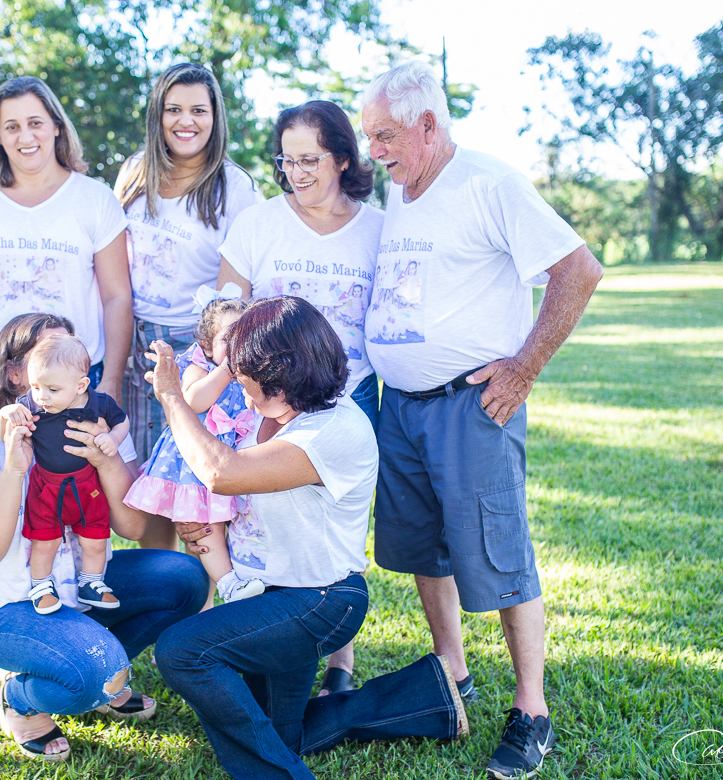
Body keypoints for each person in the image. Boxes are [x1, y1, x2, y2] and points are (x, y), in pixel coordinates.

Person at [361, 61, 604, 780]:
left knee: (500, 552)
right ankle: (453, 674)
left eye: (385, 135)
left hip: (471, 405)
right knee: (423, 549)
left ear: (427, 125)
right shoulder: (400, 187)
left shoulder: (489, 183)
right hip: (401, 408)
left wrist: (524, 367)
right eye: (370, 137)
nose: (374, 150)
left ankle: (532, 711)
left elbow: (579, 270)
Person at [150, 296, 469, 780]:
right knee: (282, 734)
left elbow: (220, 472)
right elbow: (227, 491)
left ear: (282, 378)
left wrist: (173, 397)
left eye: (247, 381)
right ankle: (427, 695)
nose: (242, 392)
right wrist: (201, 524)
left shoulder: (333, 429)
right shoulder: (265, 414)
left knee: (181, 650)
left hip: (317, 601)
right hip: (265, 594)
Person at [0, 312, 209, 761]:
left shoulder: (97, 422)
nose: (62, 363)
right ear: (16, 374)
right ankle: (21, 696)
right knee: (94, 673)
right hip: (6, 605)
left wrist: (105, 458)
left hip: (81, 585)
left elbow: (133, 528)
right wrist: (14, 469)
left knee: (184, 578)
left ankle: (99, 663)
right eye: (47, 354)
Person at [215, 100, 383, 693]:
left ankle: (340, 664)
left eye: (310, 159)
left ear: (343, 158)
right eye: (287, 161)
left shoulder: (378, 228)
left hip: (348, 398)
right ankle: (260, 636)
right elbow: (225, 311)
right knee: (258, 517)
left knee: (335, 529)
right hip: (267, 399)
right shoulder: (258, 223)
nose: (297, 172)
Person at [114, 63, 261, 550]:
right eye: (173, 109)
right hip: (137, 340)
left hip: (196, 347)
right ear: (157, 115)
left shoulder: (234, 186)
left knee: (194, 484)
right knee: (151, 478)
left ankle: (204, 595)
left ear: (215, 117)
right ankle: (163, 581)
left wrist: (214, 356)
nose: (186, 121)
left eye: (199, 110)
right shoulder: (136, 171)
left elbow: (238, 285)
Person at [0, 75, 132, 435]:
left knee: (71, 470)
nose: (25, 137)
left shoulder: (95, 199)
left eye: (35, 123)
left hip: (75, 377)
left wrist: (112, 380)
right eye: (12, 126)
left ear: (56, 127)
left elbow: (117, 297)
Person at [123, 291, 263, 603]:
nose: (237, 345)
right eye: (229, 338)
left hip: (231, 462)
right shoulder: (198, 365)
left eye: (244, 337)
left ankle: (213, 600)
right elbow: (195, 401)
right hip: (194, 466)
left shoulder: (251, 373)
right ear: (207, 345)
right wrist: (226, 370)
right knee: (204, 527)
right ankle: (228, 583)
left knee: (227, 529)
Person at [0, 334, 130, 614]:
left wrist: (114, 439)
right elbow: (3, 434)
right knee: (45, 541)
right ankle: (41, 586)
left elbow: (122, 421)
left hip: (87, 485)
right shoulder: (30, 405)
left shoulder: (99, 404)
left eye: (52, 389)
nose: (42, 396)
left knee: (95, 539)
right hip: (46, 487)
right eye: (35, 386)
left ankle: (92, 583)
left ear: (81, 385)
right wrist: (6, 414)